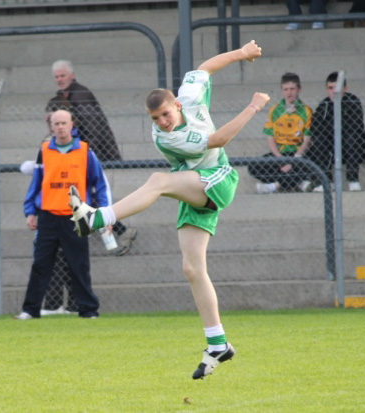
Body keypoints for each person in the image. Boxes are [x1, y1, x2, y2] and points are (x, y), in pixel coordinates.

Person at [68, 40, 270, 379]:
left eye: (165, 113)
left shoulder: (189, 95)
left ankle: (98, 217)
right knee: (192, 269)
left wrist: (240, 54)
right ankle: (217, 344)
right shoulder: (166, 138)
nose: (162, 121)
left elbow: (204, 68)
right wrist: (253, 106)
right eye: (155, 117)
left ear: (177, 104)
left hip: (217, 180)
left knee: (159, 181)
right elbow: (218, 139)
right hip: (194, 187)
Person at [14, 109, 111, 319]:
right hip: (48, 215)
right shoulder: (44, 151)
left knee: (79, 264)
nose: (60, 127)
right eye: (56, 123)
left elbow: (100, 185)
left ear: (72, 124)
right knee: (41, 264)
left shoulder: (85, 151)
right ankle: (30, 310)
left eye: (63, 123)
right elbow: (36, 183)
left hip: (76, 217)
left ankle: (88, 310)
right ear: (51, 126)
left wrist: (106, 213)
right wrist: (30, 211)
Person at [47, 60, 137, 256]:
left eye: (62, 76)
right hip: (78, 156)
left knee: (90, 198)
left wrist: (86, 157)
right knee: (87, 199)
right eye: (56, 77)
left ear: (72, 75)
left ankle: (119, 232)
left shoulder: (81, 95)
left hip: (90, 155)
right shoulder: (62, 98)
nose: (59, 80)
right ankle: (118, 234)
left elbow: (94, 129)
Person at [248, 72, 312, 194]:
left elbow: (307, 141)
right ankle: (298, 182)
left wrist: (293, 161)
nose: (289, 93)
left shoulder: (306, 111)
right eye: (286, 89)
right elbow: (270, 138)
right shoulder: (274, 110)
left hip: (297, 154)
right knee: (253, 166)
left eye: (292, 89)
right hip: (280, 153)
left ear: (299, 89)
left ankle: (274, 186)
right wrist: (279, 159)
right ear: (282, 91)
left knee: (309, 164)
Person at [306, 72, 365, 192]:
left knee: (351, 137)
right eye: (330, 88)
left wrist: (330, 128)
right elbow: (315, 129)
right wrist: (333, 130)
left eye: (337, 88)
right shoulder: (324, 105)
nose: (334, 92)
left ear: (345, 88)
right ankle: (326, 181)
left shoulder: (352, 101)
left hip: (354, 148)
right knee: (319, 141)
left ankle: (353, 180)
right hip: (331, 148)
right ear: (326, 89)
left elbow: (355, 126)